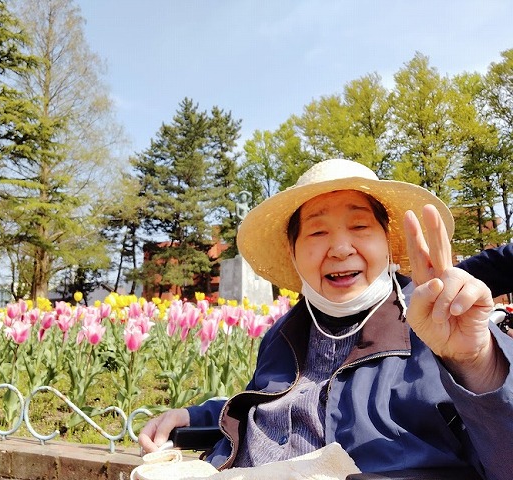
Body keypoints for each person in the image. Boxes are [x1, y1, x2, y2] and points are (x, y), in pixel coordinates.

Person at [138, 159, 513, 480]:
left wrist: (476, 363)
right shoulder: (284, 332)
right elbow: (268, 403)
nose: (340, 248)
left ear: (387, 242)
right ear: (293, 252)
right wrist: (193, 416)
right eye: (317, 231)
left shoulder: (443, 323)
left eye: (360, 227)